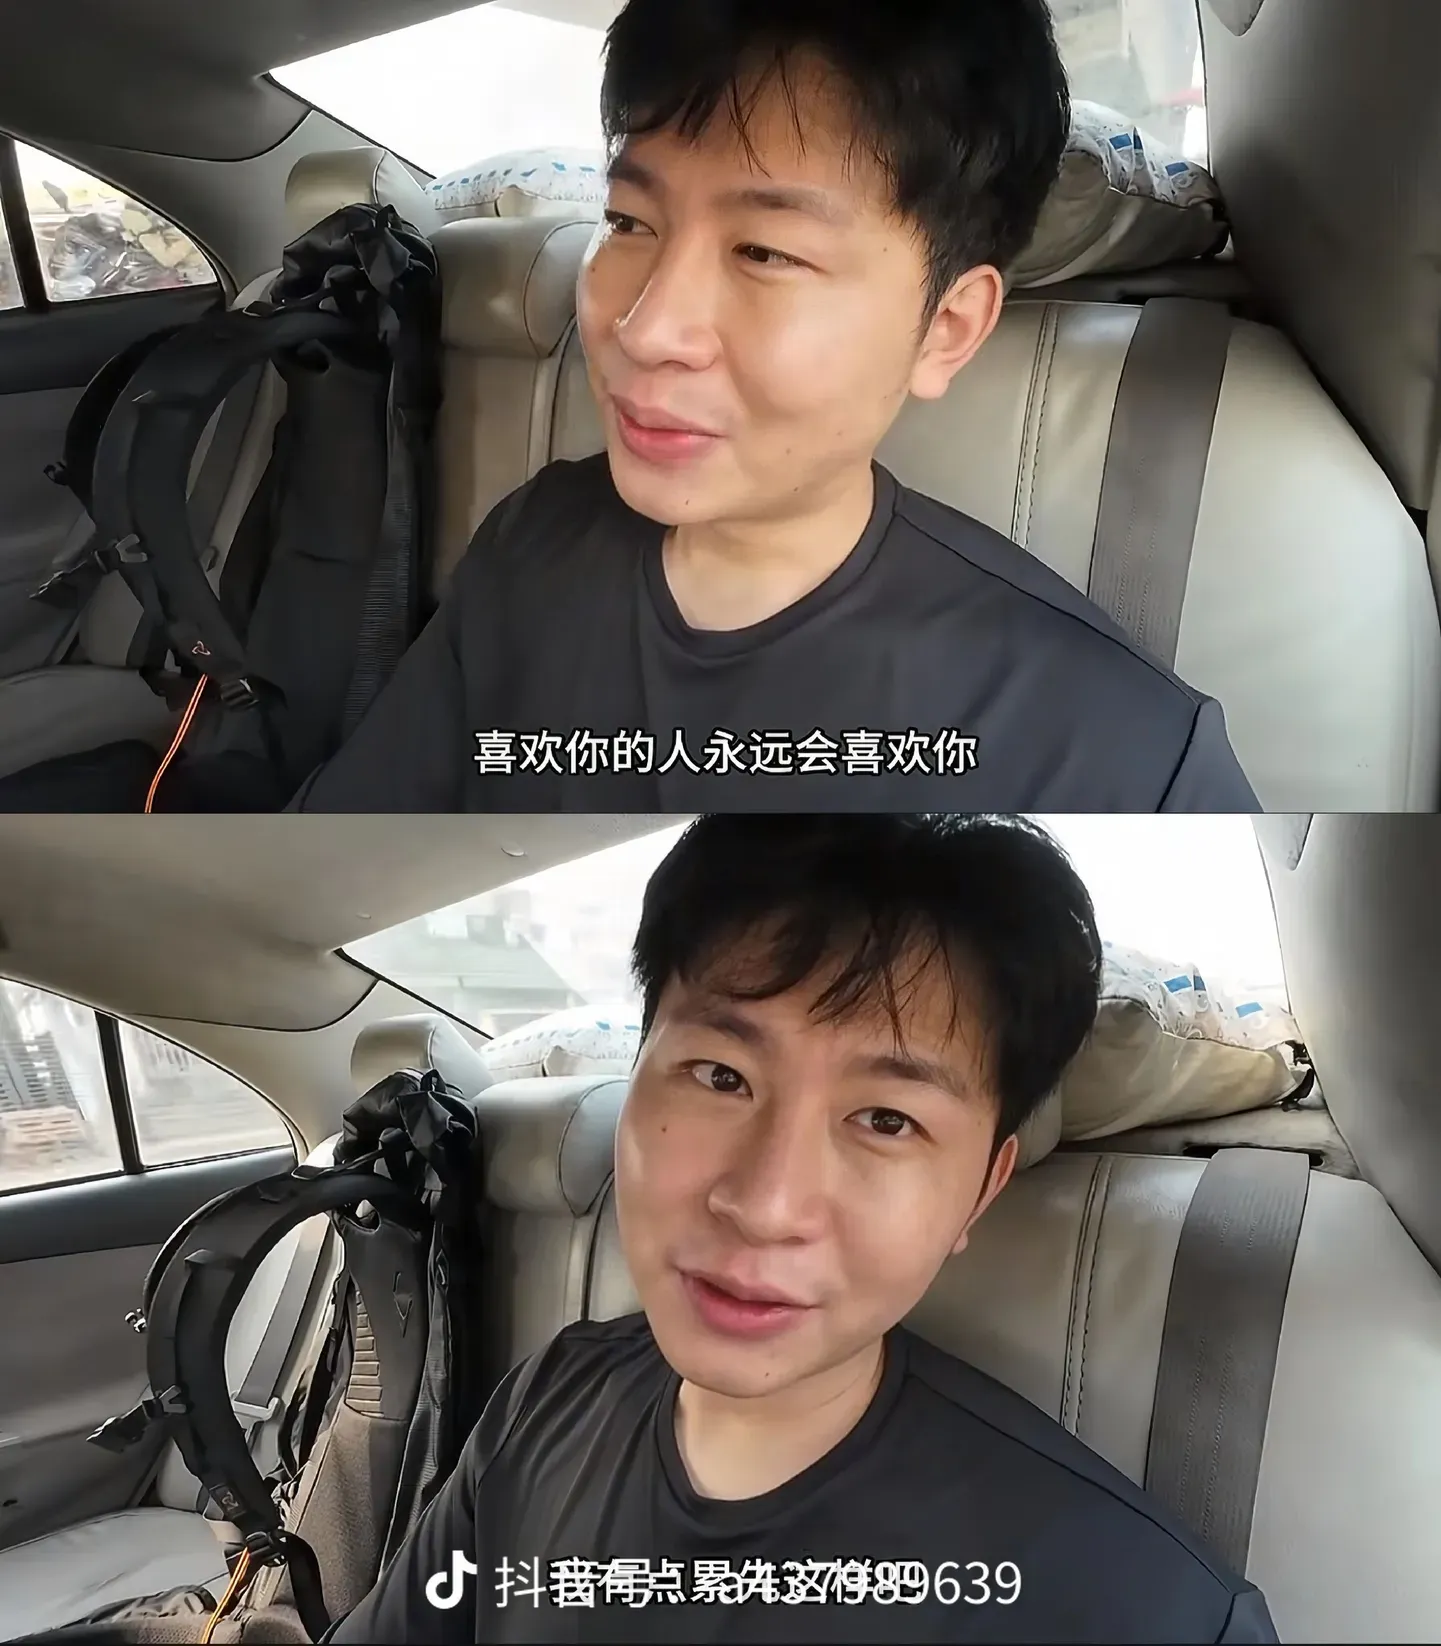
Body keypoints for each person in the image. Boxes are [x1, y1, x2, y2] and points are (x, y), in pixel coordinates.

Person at [329, 814, 1278, 1643]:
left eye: (887, 1120)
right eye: (720, 1077)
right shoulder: (548, 1399)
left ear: (979, 1193)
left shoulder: (1141, 1610)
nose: (766, 1205)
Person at [295, 0, 1257, 814]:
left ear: (945, 329)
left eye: (764, 252)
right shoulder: (532, 542)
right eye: (627, 221)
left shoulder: (1123, 757)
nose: (645, 326)